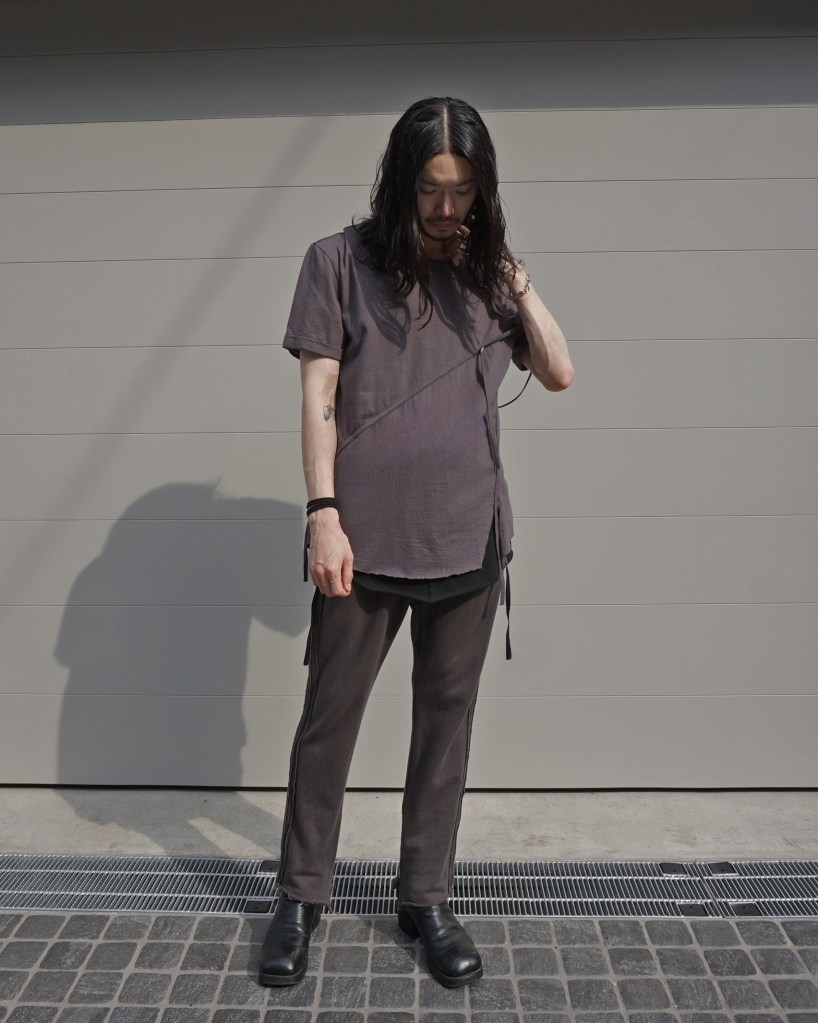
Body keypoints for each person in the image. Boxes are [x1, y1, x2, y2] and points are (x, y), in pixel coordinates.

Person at [259, 96, 574, 990]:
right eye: (431, 188)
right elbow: (319, 394)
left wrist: (516, 280)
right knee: (328, 723)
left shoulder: (486, 274)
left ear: (483, 189)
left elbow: (559, 371)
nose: (445, 208)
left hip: (469, 539)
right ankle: (300, 897)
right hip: (362, 544)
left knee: (445, 729)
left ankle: (425, 898)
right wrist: (323, 511)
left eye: (463, 190)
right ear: (401, 181)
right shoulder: (338, 263)